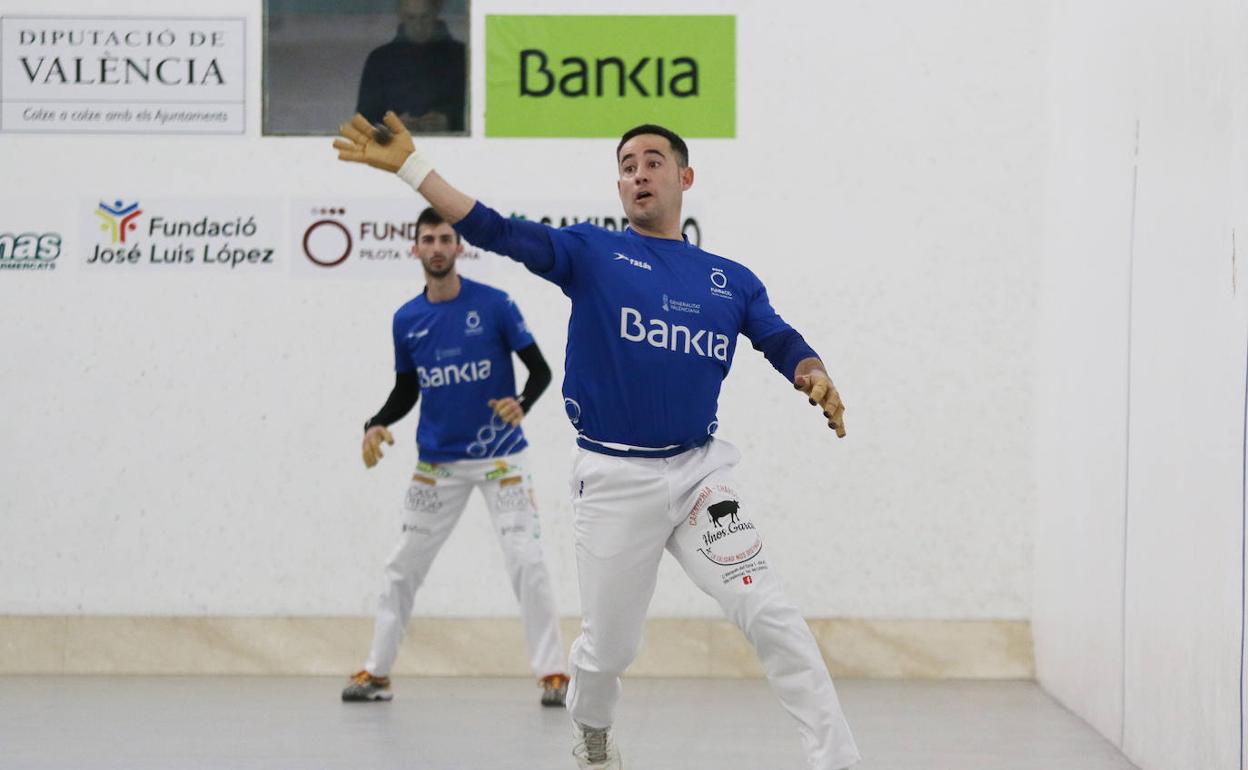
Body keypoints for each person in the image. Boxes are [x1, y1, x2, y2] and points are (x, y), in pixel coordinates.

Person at [334, 113, 860, 770]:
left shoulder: (729, 279)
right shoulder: (592, 254)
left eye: (652, 161)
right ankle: (592, 730)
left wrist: (812, 371)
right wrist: (414, 169)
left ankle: (839, 761)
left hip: (700, 477)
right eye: (627, 166)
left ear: (685, 177)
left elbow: (780, 339)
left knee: (770, 611)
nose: (638, 174)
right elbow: (497, 230)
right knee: (610, 649)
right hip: (613, 479)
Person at [340, 206, 569, 708]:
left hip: (502, 461)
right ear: (416, 248)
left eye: (446, 238)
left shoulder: (495, 304)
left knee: (527, 561)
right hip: (437, 466)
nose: (438, 247)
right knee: (401, 566)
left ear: (459, 246)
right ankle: (377, 673)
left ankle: (554, 673)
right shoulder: (406, 320)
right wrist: (375, 422)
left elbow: (541, 371)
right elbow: (406, 389)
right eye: (429, 239)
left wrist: (522, 403)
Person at [356, 0, 466, 133]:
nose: (418, 26)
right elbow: (364, 122)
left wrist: (450, 122)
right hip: (395, 145)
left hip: (453, 145)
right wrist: (391, 126)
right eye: (411, 18)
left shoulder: (462, 57)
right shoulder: (380, 60)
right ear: (401, 15)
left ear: (436, 12)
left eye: (424, 17)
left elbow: (481, 111)